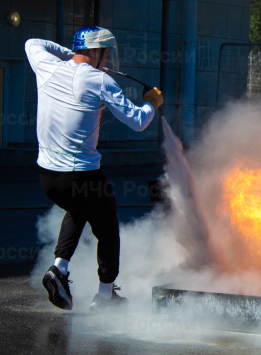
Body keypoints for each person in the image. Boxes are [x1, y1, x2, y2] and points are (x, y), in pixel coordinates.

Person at [25, 27, 163, 311]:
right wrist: (151, 103)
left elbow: (32, 42)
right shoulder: (100, 80)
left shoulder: (47, 65)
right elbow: (137, 121)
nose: (110, 56)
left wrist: (71, 54)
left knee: (78, 209)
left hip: (47, 176)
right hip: (82, 176)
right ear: (95, 51)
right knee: (108, 229)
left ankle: (59, 269)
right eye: (106, 50)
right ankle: (105, 297)